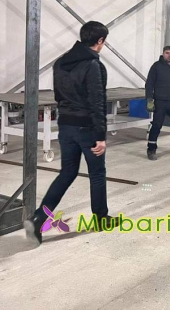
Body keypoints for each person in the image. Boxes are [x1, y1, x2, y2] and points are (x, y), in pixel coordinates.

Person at [25, 21, 117, 244]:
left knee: (67, 172)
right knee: (97, 173)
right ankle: (101, 219)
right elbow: (97, 102)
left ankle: (38, 218)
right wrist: (100, 136)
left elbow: (59, 95)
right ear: (100, 41)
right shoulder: (93, 65)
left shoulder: (61, 62)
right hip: (87, 128)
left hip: (65, 125)